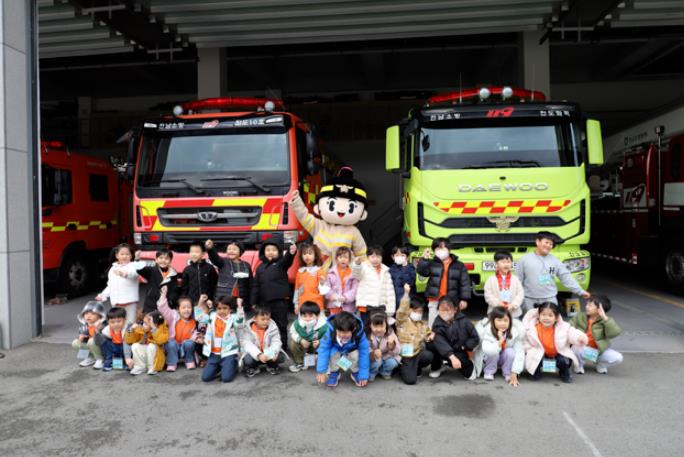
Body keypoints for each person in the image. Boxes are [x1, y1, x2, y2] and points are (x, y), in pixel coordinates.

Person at [516, 231, 591, 314]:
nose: (548, 245)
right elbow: (518, 280)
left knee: (550, 320)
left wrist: (580, 291)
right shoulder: (524, 259)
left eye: (551, 244)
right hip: (529, 299)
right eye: (546, 242)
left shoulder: (555, 261)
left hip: (550, 298)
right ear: (537, 242)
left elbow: (566, 277)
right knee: (530, 320)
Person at [523, 302, 588, 383]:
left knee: (563, 361)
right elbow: (525, 341)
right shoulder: (531, 328)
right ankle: (536, 372)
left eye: (550, 315)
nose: (546, 318)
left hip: (558, 353)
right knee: (534, 363)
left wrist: (580, 337)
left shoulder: (563, 327)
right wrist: (529, 350)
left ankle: (564, 373)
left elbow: (572, 332)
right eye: (543, 315)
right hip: (539, 353)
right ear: (538, 316)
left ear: (556, 318)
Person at [417, 238, 471, 327]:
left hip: (452, 300)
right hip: (435, 299)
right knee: (433, 326)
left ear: (449, 249)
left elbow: (465, 283)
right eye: (437, 248)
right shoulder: (432, 263)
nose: (440, 251)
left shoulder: (459, 265)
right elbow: (422, 272)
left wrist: (464, 299)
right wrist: (424, 259)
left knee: (451, 326)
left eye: (442, 248)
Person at [250, 241, 296, 345]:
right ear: (263, 252)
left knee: (281, 324)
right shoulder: (260, 267)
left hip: (279, 302)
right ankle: (267, 345)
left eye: (274, 250)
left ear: (279, 252)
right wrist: (253, 302)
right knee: (265, 324)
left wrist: (291, 252)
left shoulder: (281, 264)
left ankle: (282, 346)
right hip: (264, 303)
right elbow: (256, 285)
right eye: (268, 250)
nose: (271, 252)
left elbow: (287, 260)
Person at [428, 296, 479, 379]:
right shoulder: (437, 321)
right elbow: (439, 340)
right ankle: (438, 366)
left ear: (455, 309)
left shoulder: (465, 321)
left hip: (459, 350)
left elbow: (475, 338)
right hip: (445, 351)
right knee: (431, 344)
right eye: (441, 310)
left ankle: (469, 365)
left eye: (447, 310)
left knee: (470, 376)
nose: (444, 313)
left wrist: (464, 346)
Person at [472, 306, 525, 386]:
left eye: (505, 320)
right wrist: (500, 341)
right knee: (494, 352)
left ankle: (507, 372)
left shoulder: (514, 332)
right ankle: (489, 371)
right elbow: (489, 351)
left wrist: (515, 372)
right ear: (493, 321)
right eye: (499, 320)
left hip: (502, 358)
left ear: (510, 321)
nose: (502, 323)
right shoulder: (487, 331)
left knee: (510, 352)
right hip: (489, 358)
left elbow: (519, 352)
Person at [315, 311, 370, 388]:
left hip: (351, 351)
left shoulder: (360, 334)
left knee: (356, 354)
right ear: (335, 328)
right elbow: (323, 349)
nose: (342, 335)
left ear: (353, 329)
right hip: (337, 350)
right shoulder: (330, 331)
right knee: (332, 352)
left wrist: (363, 375)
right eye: (339, 331)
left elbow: (364, 353)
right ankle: (334, 372)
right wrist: (321, 371)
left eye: (345, 332)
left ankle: (356, 372)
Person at [570, 295, 623, 374]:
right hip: (582, 349)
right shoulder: (580, 316)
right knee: (577, 348)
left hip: (597, 352)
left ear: (599, 309)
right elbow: (569, 327)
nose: (586, 307)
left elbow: (614, 333)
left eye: (590, 305)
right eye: (587, 304)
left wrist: (605, 318)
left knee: (618, 358)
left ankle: (601, 364)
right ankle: (579, 365)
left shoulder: (606, 320)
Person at [395, 284, 435, 385]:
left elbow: (428, 333)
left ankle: (416, 368)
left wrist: (431, 335)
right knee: (411, 380)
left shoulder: (422, 325)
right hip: (405, 355)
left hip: (417, 353)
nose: (418, 313)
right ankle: (401, 367)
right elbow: (402, 310)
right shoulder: (402, 321)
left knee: (428, 356)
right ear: (409, 310)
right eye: (415, 311)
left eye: (420, 311)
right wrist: (406, 293)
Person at [201, 296, 245, 383]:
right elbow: (200, 318)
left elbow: (241, 324)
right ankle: (221, 366)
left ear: (230, 309)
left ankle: (233, 365)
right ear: (216, 309)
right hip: (214, 353)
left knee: (226, 378)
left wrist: (239, 306)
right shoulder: (212, 316)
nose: (222, 311)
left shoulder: (233, 318)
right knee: (205, 377)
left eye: (225, 308)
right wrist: (201, 302)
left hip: (228, 352)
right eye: (219, 308)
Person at [96, 243, 141, 323]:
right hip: (116, 302)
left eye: (127, 254)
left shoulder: (133, 266)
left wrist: (125, 274)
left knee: (130, 323)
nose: (124, 256)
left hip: (130, 302)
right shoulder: (112, 269)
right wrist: (103, 294)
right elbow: (110, 285)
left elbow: (134, 274)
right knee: (119, 323)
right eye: (122, 254)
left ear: (131, 256)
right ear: (117, 256)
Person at [352, 245, 395, 324]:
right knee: (366, 327)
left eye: (378, 257)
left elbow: (390, 292)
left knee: (378, 328)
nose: (375, 259)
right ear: (367, 257)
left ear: (382, 258)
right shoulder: (363, 267)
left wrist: (390, 309)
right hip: (365, 306)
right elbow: (356, 274)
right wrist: (357, 265)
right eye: (373, 256)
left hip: (380, 307)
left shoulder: (386, 271)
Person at [158, 289, 198, 372]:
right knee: (171, 343)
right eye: (183, 308)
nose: (186, 310)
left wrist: (194, 338)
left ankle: (189, 361)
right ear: (178, 309)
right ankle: (171, 363)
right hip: (174, 347)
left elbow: (196, 333)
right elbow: (163, 309)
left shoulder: (194, 321)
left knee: (190, 343)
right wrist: (163, 295)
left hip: (185, 346)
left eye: (189, 307)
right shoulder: (173, 317)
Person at [240, 306, 285, 377]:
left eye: (268, 319)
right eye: (263, 319)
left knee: (281, 357)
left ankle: (271, 365)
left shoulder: (273, 327)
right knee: (248, 359)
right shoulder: (248, 328)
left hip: (267, 353)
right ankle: (253, 367)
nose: (266, 321)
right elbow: (247, 344)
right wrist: (258, 355)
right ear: (255, 319)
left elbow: (276, 341)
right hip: (255, 354)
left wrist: (274, 352)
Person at [205, 240, 252, 306]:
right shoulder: (223, 262)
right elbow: (214, 258)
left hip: (240, 302)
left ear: (240, 251)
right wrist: (210, 249)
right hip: (223, 300)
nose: (231, 251)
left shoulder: (246, 265)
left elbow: (250, 284)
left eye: (234, 249)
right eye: (229, 249)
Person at [125, 310, 169, 376]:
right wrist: (131, 330)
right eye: (143, 322)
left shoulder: (162, 330)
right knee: (135, 345)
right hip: (146, 354)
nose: (143, 325)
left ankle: (152, 368)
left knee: (151, 346)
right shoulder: (141, 329)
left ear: (155, 324)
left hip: (156, 358)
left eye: (146, 323)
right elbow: (129, 341)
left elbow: (160, 341)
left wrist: (154, 329)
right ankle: (140, 367)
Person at [135, 248, 179, 314]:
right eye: (161, 258)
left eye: (166, 258)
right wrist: (137, 259)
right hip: (151, 305)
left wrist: (171, 301)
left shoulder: (173, 273)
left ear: (170, 261)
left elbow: (174, 289)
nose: (163, 260)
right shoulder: (151, 270)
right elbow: (140, 270)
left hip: (166, 306)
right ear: (156, 260)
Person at [288, 301, 328, 373]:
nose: (307, 318)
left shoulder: (324, 325)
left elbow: (328, 336)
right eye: (304, 316)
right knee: (292, 343)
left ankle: (323, 362)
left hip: (316, 345)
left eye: (310, 316)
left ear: (318, 315)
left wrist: (320, 341)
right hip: (304, 343)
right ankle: (300, 362)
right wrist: (300, 340)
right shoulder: (297, 323)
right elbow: (292, 332)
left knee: (327, 345)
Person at [483, 250, 524, 319]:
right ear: (496, 264)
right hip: (496, 312)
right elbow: (488, 295)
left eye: (508, 262)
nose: (506, 264)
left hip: (513, 313)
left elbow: (520, 294)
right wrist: (498, 303)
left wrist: (513, 305)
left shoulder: (515, 279)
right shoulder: (491, 280)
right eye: (503, 262)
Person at [72, 300, 106, 369]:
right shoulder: (84, 326)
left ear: (100, 316)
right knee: (75, 342)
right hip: (91, 346)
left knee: (91, 341)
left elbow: (104, 340)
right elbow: (83, 340)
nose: (89, 316)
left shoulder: (102, 325)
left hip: (102, 348)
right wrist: (81, 338)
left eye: (93, 314)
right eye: (86, 313)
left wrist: (97, 330)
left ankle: (100, 359)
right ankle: (89, 357)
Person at [367, 312, 401, 381]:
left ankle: (385, 372)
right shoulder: (368, 335)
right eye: (375, 326)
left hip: (386, 357)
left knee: (392, 363)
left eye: (381, 326)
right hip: (374, 360)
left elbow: (398, 350)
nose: (379, 329)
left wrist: (392, 346)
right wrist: (373, 353)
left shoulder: (390, 333)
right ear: (370, 326)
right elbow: (365, 351)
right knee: (378, 361)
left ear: (386, 326)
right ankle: (372, 372)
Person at [325, 246, 359, 315]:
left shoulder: (353, 273)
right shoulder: (330, 272)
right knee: (334, 321)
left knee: (347, 321)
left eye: (345, 257)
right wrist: (332, 295)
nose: (343, 259)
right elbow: (326, 287)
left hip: (348, 307)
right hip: (334, 305)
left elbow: (355, 288)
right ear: (336, 259)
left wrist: (346, 297)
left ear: (349, 260)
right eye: (340, 257)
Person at [293, 242, 325, 313]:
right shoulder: (300, 271)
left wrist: (322, 283)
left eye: (310, 253)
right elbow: (297, 290)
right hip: (303, 305)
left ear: (315, 256)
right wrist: (296, 305)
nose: (307, 256)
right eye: (304, 254)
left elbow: (323, 290)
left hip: (317, 305)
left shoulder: (319, 270)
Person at [94, 307, 127, 372]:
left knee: (126, 348)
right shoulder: (107, 329)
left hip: (124, 347)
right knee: (105, 343)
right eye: (112, 322)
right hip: (113, 346)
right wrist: (97, 332)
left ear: (124, 320)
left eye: (119, 321)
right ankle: (109, 361)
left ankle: (125, 362)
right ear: (108, 322)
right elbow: (98, 342)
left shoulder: (127, 328)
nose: (116, 324)